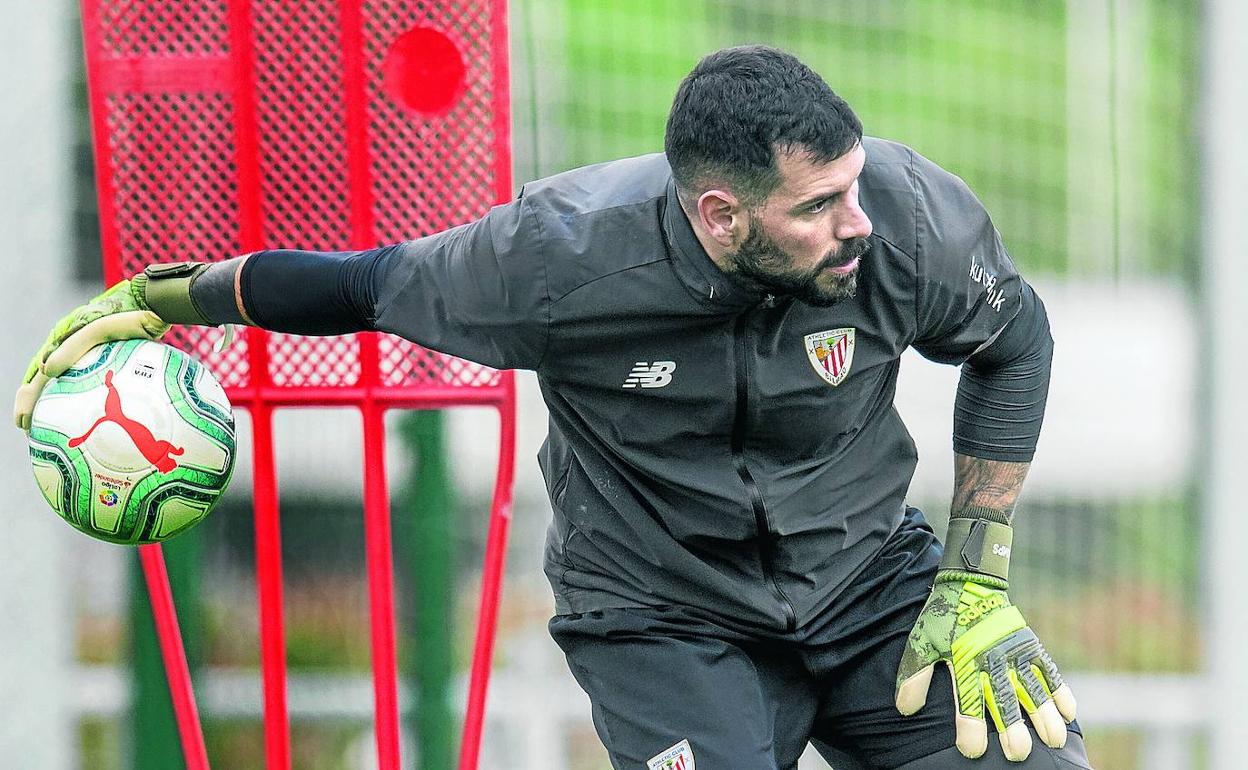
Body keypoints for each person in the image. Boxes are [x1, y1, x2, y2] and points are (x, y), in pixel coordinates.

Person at [16, 45, 1092, 769]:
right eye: (818, 205)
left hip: (870, 584)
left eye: (854, 184)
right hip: (662, 614)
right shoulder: (552, 258)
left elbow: (1017, 342)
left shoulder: (905, 219)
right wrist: (164, 296)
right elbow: (361, 284)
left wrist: (974, 573)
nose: (857, 220)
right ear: (720, 215)